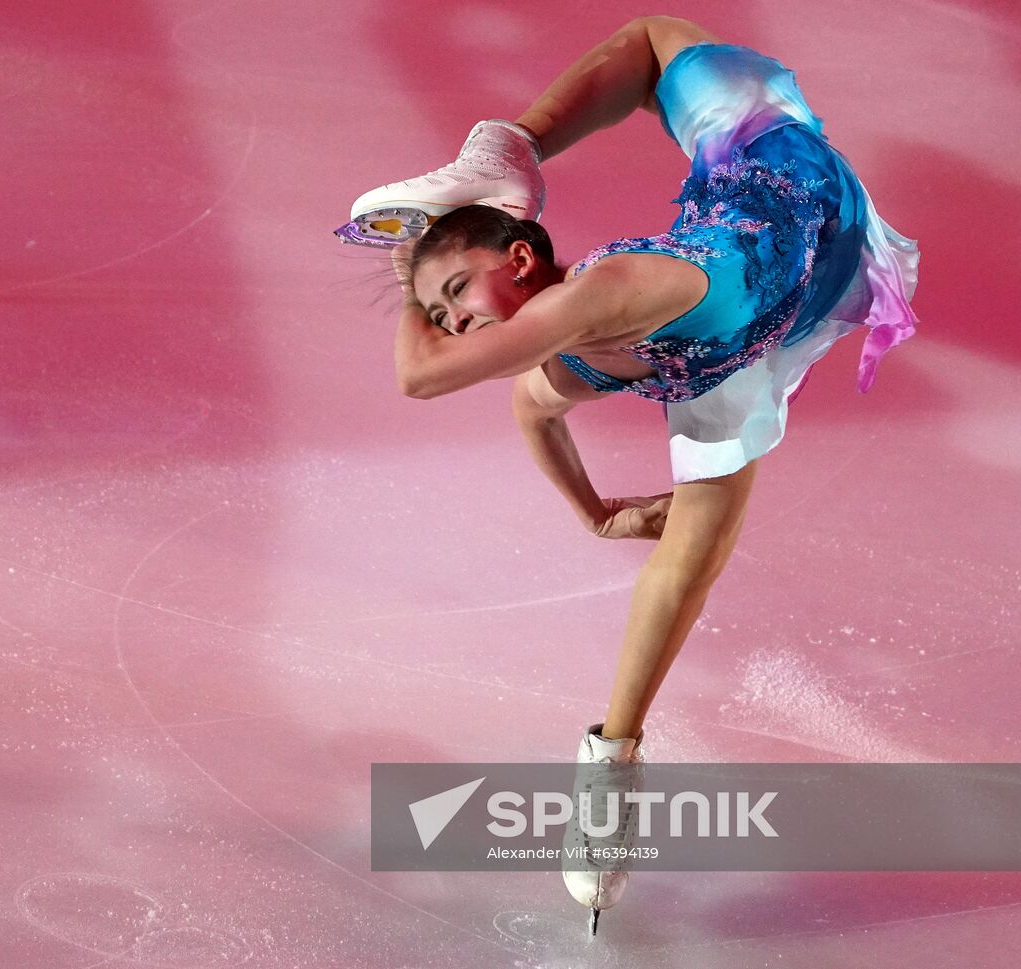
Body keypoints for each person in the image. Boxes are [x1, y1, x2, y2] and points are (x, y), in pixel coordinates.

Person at [341, 15, 921, 933]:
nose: (451, 325)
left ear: (521, 256)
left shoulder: (601, 296)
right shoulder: (596, 338)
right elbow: (532, 405)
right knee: (687, 551)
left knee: (656, 44)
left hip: (790, 186)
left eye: (455, 294)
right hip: (721, 338)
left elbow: (418, 379)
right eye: (440, 314)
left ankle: (507, 149)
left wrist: (407, 229)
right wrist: (595, 513)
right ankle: (614, 752)